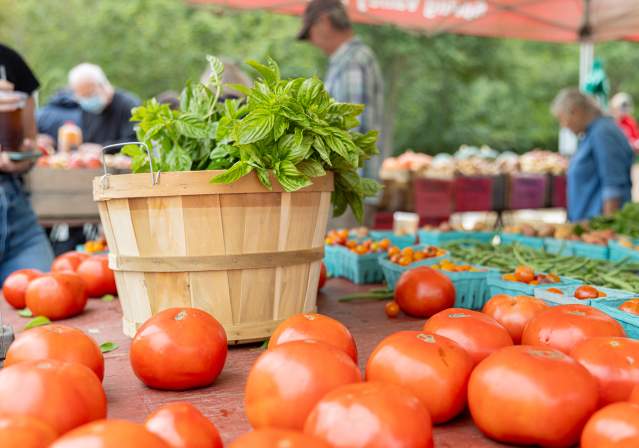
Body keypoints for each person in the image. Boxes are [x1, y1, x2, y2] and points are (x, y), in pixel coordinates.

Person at [298, 0, 384, 180]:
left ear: (324, 21)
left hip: (351, 181)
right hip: (351, 180)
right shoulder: (349, 59)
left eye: (309, 32)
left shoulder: (352, 61)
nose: (312, 41)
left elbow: (352, 127)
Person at [0, 43, 54, 281]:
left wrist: (22, 157)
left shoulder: (7, 60)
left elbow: (28, 142)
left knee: (47, 301)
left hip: (16, 213)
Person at [551, 88, 633, 222]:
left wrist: (605, 231)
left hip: (597, 231)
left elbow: (613, 186)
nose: (564, 126)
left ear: (575, 111)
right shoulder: (591, 134)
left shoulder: (603, 132)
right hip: (585, 228)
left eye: (562, 119)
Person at [68, 63, 139, 149]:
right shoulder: (87, 110)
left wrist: (103, 148)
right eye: (82, 97)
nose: (87, 101)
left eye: (89, 95)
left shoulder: (130, 105)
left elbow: (136, 142)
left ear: (103, 85)